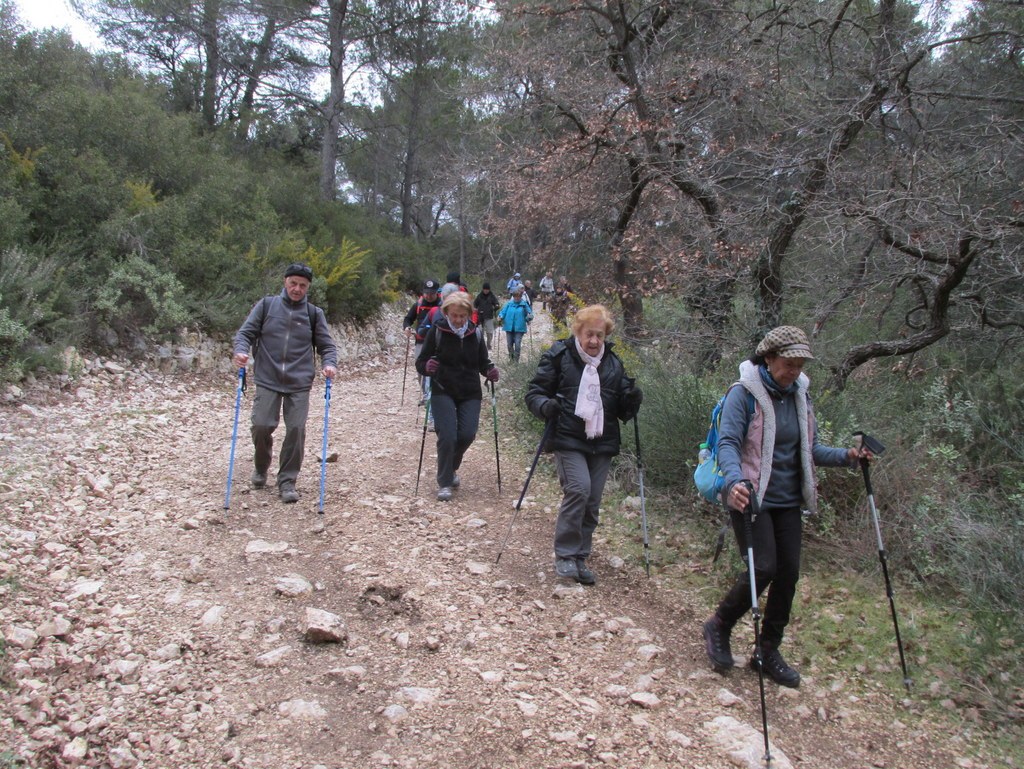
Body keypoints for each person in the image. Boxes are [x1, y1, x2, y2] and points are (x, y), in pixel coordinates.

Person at [701, 326, 873, 688]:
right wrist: (734, 482)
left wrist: (848, 456)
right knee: (763, 567)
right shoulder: (743, 394)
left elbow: (809, 450)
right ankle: (719, 625)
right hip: (749, 495)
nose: (794, 371)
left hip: (788, 500)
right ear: (768, 358)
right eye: (788, 363)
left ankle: (767, 650)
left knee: (789, 574)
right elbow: (729, 444)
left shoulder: (800, 396)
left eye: (799, 365)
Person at [525, 305, 642, 585]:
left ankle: (579, 557)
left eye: (599, 335)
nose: (594, 341)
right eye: (589, 334)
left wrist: (632, 399)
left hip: (602, 441)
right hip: (568, 437)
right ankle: (564, 554)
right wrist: (545, 406)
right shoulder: (559, 356)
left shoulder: (613, 363)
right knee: (579, 490)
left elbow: (623, 411)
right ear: (578, 332)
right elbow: (534, 393)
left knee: (592, 503)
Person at [232, 263, 338, 504]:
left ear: (308, 287)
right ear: (285, 282)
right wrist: (240, 351)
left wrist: (329, 363)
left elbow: (327, 345)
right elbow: (246, 333)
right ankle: (261, 468)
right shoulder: (267, 305)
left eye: (302, 285)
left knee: (296, 430)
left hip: (299, 381)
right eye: (293, 283)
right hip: (267, 377)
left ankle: (287, 481)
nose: (297, 289)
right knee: (261, 425)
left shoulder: (313, 314)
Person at [415, 291, 499, 502]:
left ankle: (451, 468)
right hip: (443, 388)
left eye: (462, 316)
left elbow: (482, 361)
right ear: (447, 313)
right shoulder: (438, 331)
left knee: (467, 434)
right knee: (448, 435)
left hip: (470, 391)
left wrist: (489, 370)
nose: (458, 320)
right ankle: (444, 482)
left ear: (469, 314)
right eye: (454, 315)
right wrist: (427, 366)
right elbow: (421, 362)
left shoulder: (475, 333)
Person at [403, 280, 442, 405]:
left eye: (431, 293)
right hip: (421, 341)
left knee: (437, 368)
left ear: (437, 292)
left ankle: (435, 394)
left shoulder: (443, 305)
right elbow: (408, 318)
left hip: (438, 342)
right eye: (426, 293)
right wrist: (407, 327)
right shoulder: (418, 304)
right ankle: (426, 396)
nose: (428, 296)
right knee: (420, 367)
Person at [497, 287, 533, 362]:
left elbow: (530, 313)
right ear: (513, 296)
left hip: (519, 328)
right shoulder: (509, 304)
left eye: (518, 296)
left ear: (520, 296)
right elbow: (503, 312)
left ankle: (516, 360)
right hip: (508, 327)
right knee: (509, 345)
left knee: (517, 344)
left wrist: (528, 318)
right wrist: (500, 316)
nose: (516, 298)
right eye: (515, 296)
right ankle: (511, 358)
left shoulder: (524, 304)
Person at [473, 282, 501, 351]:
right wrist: (476, 311)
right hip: (480, 317)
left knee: (490, 332)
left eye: (487, 289)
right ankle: (480, 345)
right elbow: (475, 304)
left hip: (489, 316)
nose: (486, 291)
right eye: (484, 289)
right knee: (480, 332)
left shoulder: (492, 296)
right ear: (483, 289)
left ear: (489, 290)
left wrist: (496, 306)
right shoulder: (479, 296)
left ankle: (488, 345)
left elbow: (496, 303)